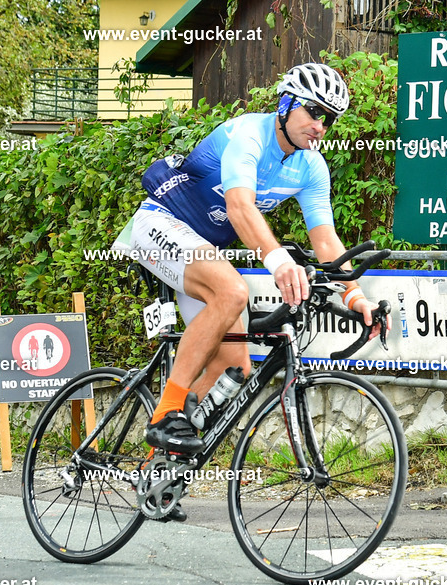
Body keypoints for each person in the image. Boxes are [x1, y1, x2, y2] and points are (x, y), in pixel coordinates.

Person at [129, 62, 387, 466]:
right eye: (314, 112)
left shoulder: (311, 166)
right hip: (161, 224)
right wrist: (277, 258)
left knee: (235, 369)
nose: (321, 125)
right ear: (286, 104)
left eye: (330, 118)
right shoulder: (248, 134)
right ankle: (166, 414)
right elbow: (239, 206)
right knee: (232, 291)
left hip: (202, 247)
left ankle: (155, 467)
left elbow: (324, 238)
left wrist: (356, 296)